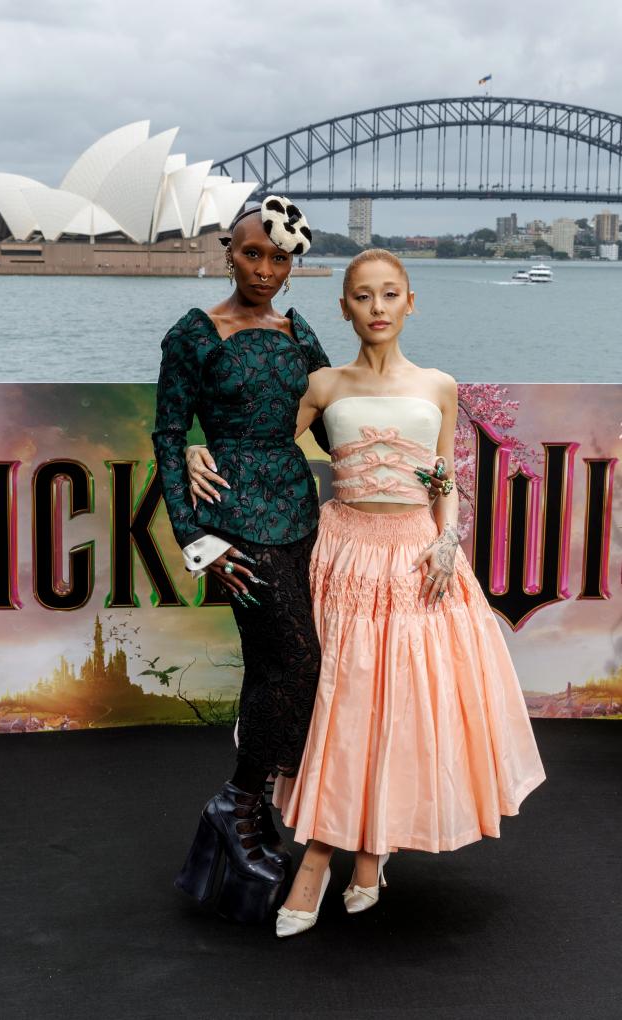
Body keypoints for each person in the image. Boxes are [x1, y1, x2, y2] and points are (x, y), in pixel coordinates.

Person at [186, 249, 547, 938]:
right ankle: (321, 857)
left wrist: (448, 540)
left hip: (418, 562)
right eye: (362, 296)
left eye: (389, 294)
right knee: (340, 708)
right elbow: (255, 446)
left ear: (410, 303)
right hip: (343, 555)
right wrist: (192, 447)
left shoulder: (440, 385)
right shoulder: (323, 384)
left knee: (402, 707)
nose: (376, 307)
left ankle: (367, 856)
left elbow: (442, 479)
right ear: (344, 307)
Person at [152, 196, 332, 923]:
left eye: (280, 257)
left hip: (297, 514)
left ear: (293, 265)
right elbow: (168, 434)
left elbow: (338, 408)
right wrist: (195, 538)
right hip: (233, 523)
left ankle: (244, 818)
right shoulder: (196, 334)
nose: (265, 269)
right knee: (299, 661)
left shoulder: (299, 330)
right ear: (229, 250)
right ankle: (236, 802)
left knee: (272, 669)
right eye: (253, 253)